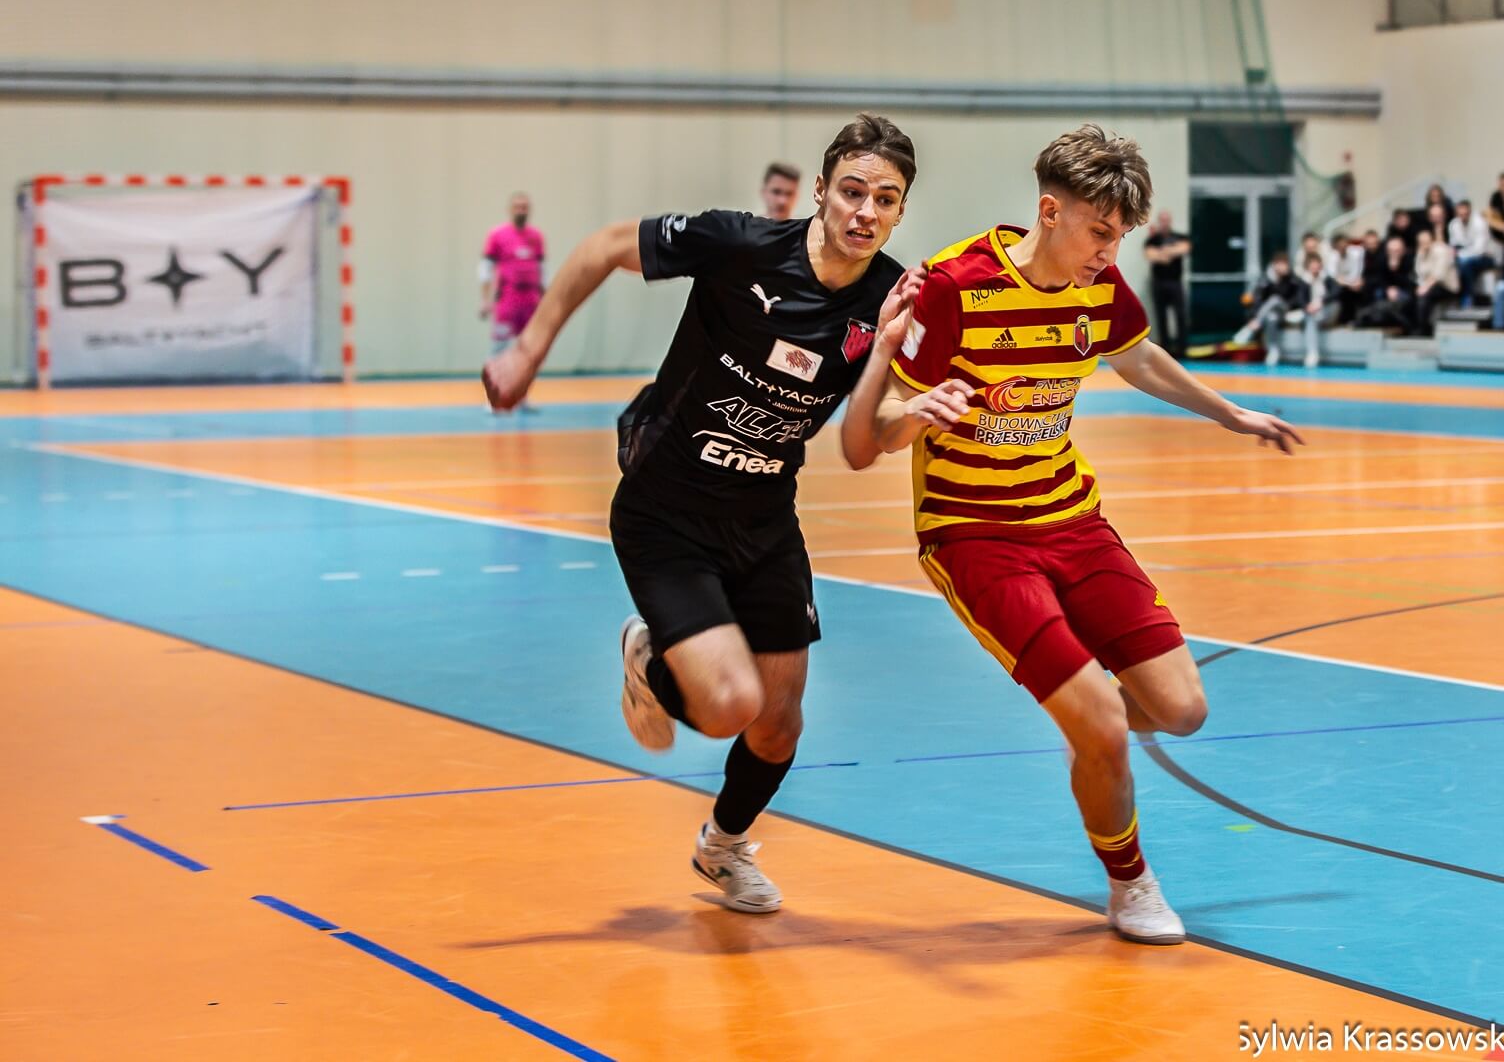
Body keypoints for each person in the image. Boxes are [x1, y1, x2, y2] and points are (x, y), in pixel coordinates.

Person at [841, 124, 1302, 945]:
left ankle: (1088, 731)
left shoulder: (1098, 282)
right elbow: (875, 427)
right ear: (1049, 212)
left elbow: (1139, 357)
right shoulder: (953, 287)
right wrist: (919, 412)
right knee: (1099, 719)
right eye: (1099, 231)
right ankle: (1130, 883)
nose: (1108, 250)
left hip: (1071, 519)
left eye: (1120, 235)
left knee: (1183, 708)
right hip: (974, 533)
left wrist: (1229, 412)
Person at [481, 114, 922, 914]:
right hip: (667, 506)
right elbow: (607, 246)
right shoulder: (742, 244)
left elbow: (863, 442)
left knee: (779, 722)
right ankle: (650, 656)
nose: (865, 210)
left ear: (899, 213)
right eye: (852, 191)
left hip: (764, 517)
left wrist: (917, 409)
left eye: (884, 199)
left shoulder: (888, 298)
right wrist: (528, 351)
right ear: (821, 192)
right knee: (727, 707)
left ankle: (723, 848)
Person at [479, 192, 546, 413]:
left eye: (525, 207)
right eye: (517, 207)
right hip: (508, 301)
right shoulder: (497, 235)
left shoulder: (536, 237)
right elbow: (485, 270)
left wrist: (546, 300)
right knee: (499, 349)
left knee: (529, 350)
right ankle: (493, 399)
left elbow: (541, 270)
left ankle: (522, 397)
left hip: (531, 302)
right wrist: (484, 299)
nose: (521, 210)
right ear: (510, 209)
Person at [1141, 211, 1191, 359]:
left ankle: (1183, 350)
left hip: (1175, 282)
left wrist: (1163, 252)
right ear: (1159, 221)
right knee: (1161, 317)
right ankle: (1166, 350)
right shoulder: (1152, 240)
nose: (1164, 222)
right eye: (1162, 220)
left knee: (1181, 315)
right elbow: (1151, 256)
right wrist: (1170, 252)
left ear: (1170, 221)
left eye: (1166, 220)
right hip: (1159, 283)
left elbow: (1184, 248)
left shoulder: (1180, 237)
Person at [1449, 198, 1494, 307]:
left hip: (1485, 257)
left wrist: (1460, 254)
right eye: (1460, 214)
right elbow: (1454, 246)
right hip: (1464, 257)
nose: (1463, 217)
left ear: (1470, 211)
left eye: (1465, 214)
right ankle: (1456, 297)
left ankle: (1467, 297)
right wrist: (1458, 254)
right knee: (1455, 264)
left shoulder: (1480, 223)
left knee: (1465, 264)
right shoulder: (1453, 224)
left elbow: (1479, 250)